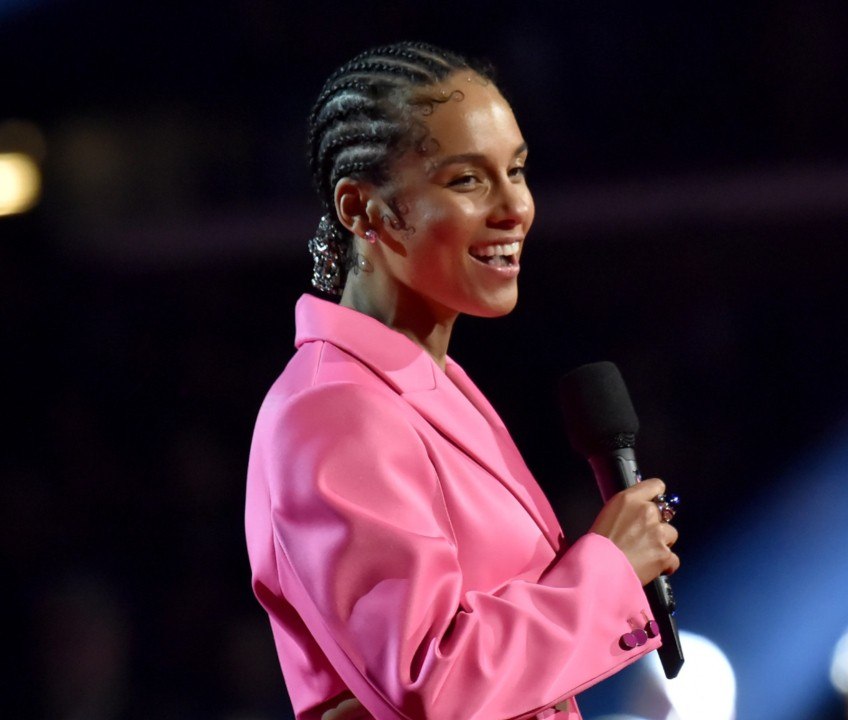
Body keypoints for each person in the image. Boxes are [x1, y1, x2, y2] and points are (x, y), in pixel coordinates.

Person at [244, 41, 680, 720]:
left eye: (517, 171)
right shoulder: (332, 409)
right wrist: (608, 571)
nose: (516, 207)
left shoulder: (424, 386)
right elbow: (428, 681)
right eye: (467, 180)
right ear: (362, 210)